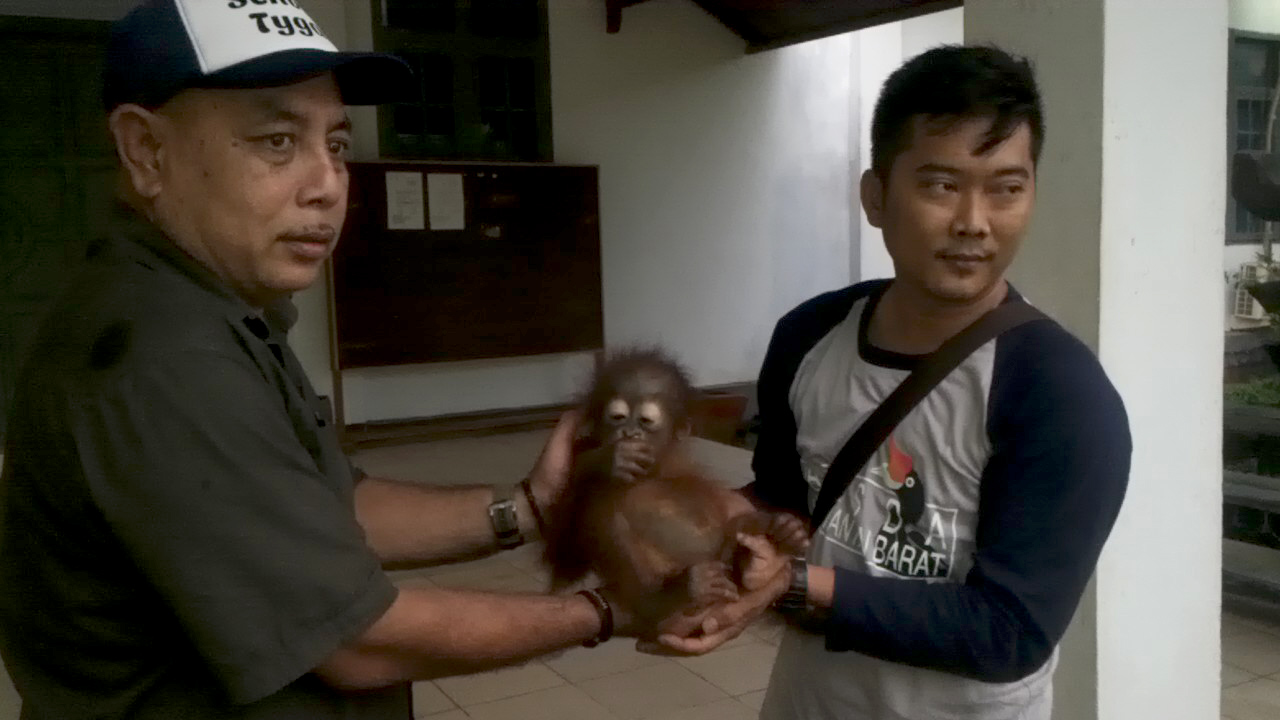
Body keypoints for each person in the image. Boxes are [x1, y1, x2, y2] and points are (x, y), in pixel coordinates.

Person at [0, 1, 789, 718]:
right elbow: (357, 640)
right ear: (146, 151)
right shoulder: (162, 359)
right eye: (277, 142)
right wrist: (613, 611)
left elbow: (329, 508)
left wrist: (529, 506)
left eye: (335, 145)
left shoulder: (217, 311)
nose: (328, 185)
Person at [746, 45, 1132, 719]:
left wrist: (795, 585)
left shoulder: (1058, 392)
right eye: (941, 185)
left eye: (1006, 188)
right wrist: (689, 524)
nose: (974, 223)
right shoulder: (810, 336)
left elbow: (1009, 629)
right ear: (876, 197)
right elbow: (781, 499)